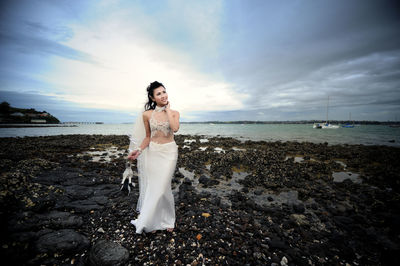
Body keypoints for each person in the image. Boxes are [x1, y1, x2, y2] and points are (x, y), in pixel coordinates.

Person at [127, 81, 180, 234]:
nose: (163, 95)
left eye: (164, 92)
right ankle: (151, 220)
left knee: (163, 187)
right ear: (152, 97)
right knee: (154, 187)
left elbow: (175, 128)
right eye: (159, 93)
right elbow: (148, 137)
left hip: (169, 153)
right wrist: (138, 150)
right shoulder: (147, 115)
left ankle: (168, 219)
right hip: (153, 153)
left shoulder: (175, 113)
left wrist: (168, 110)